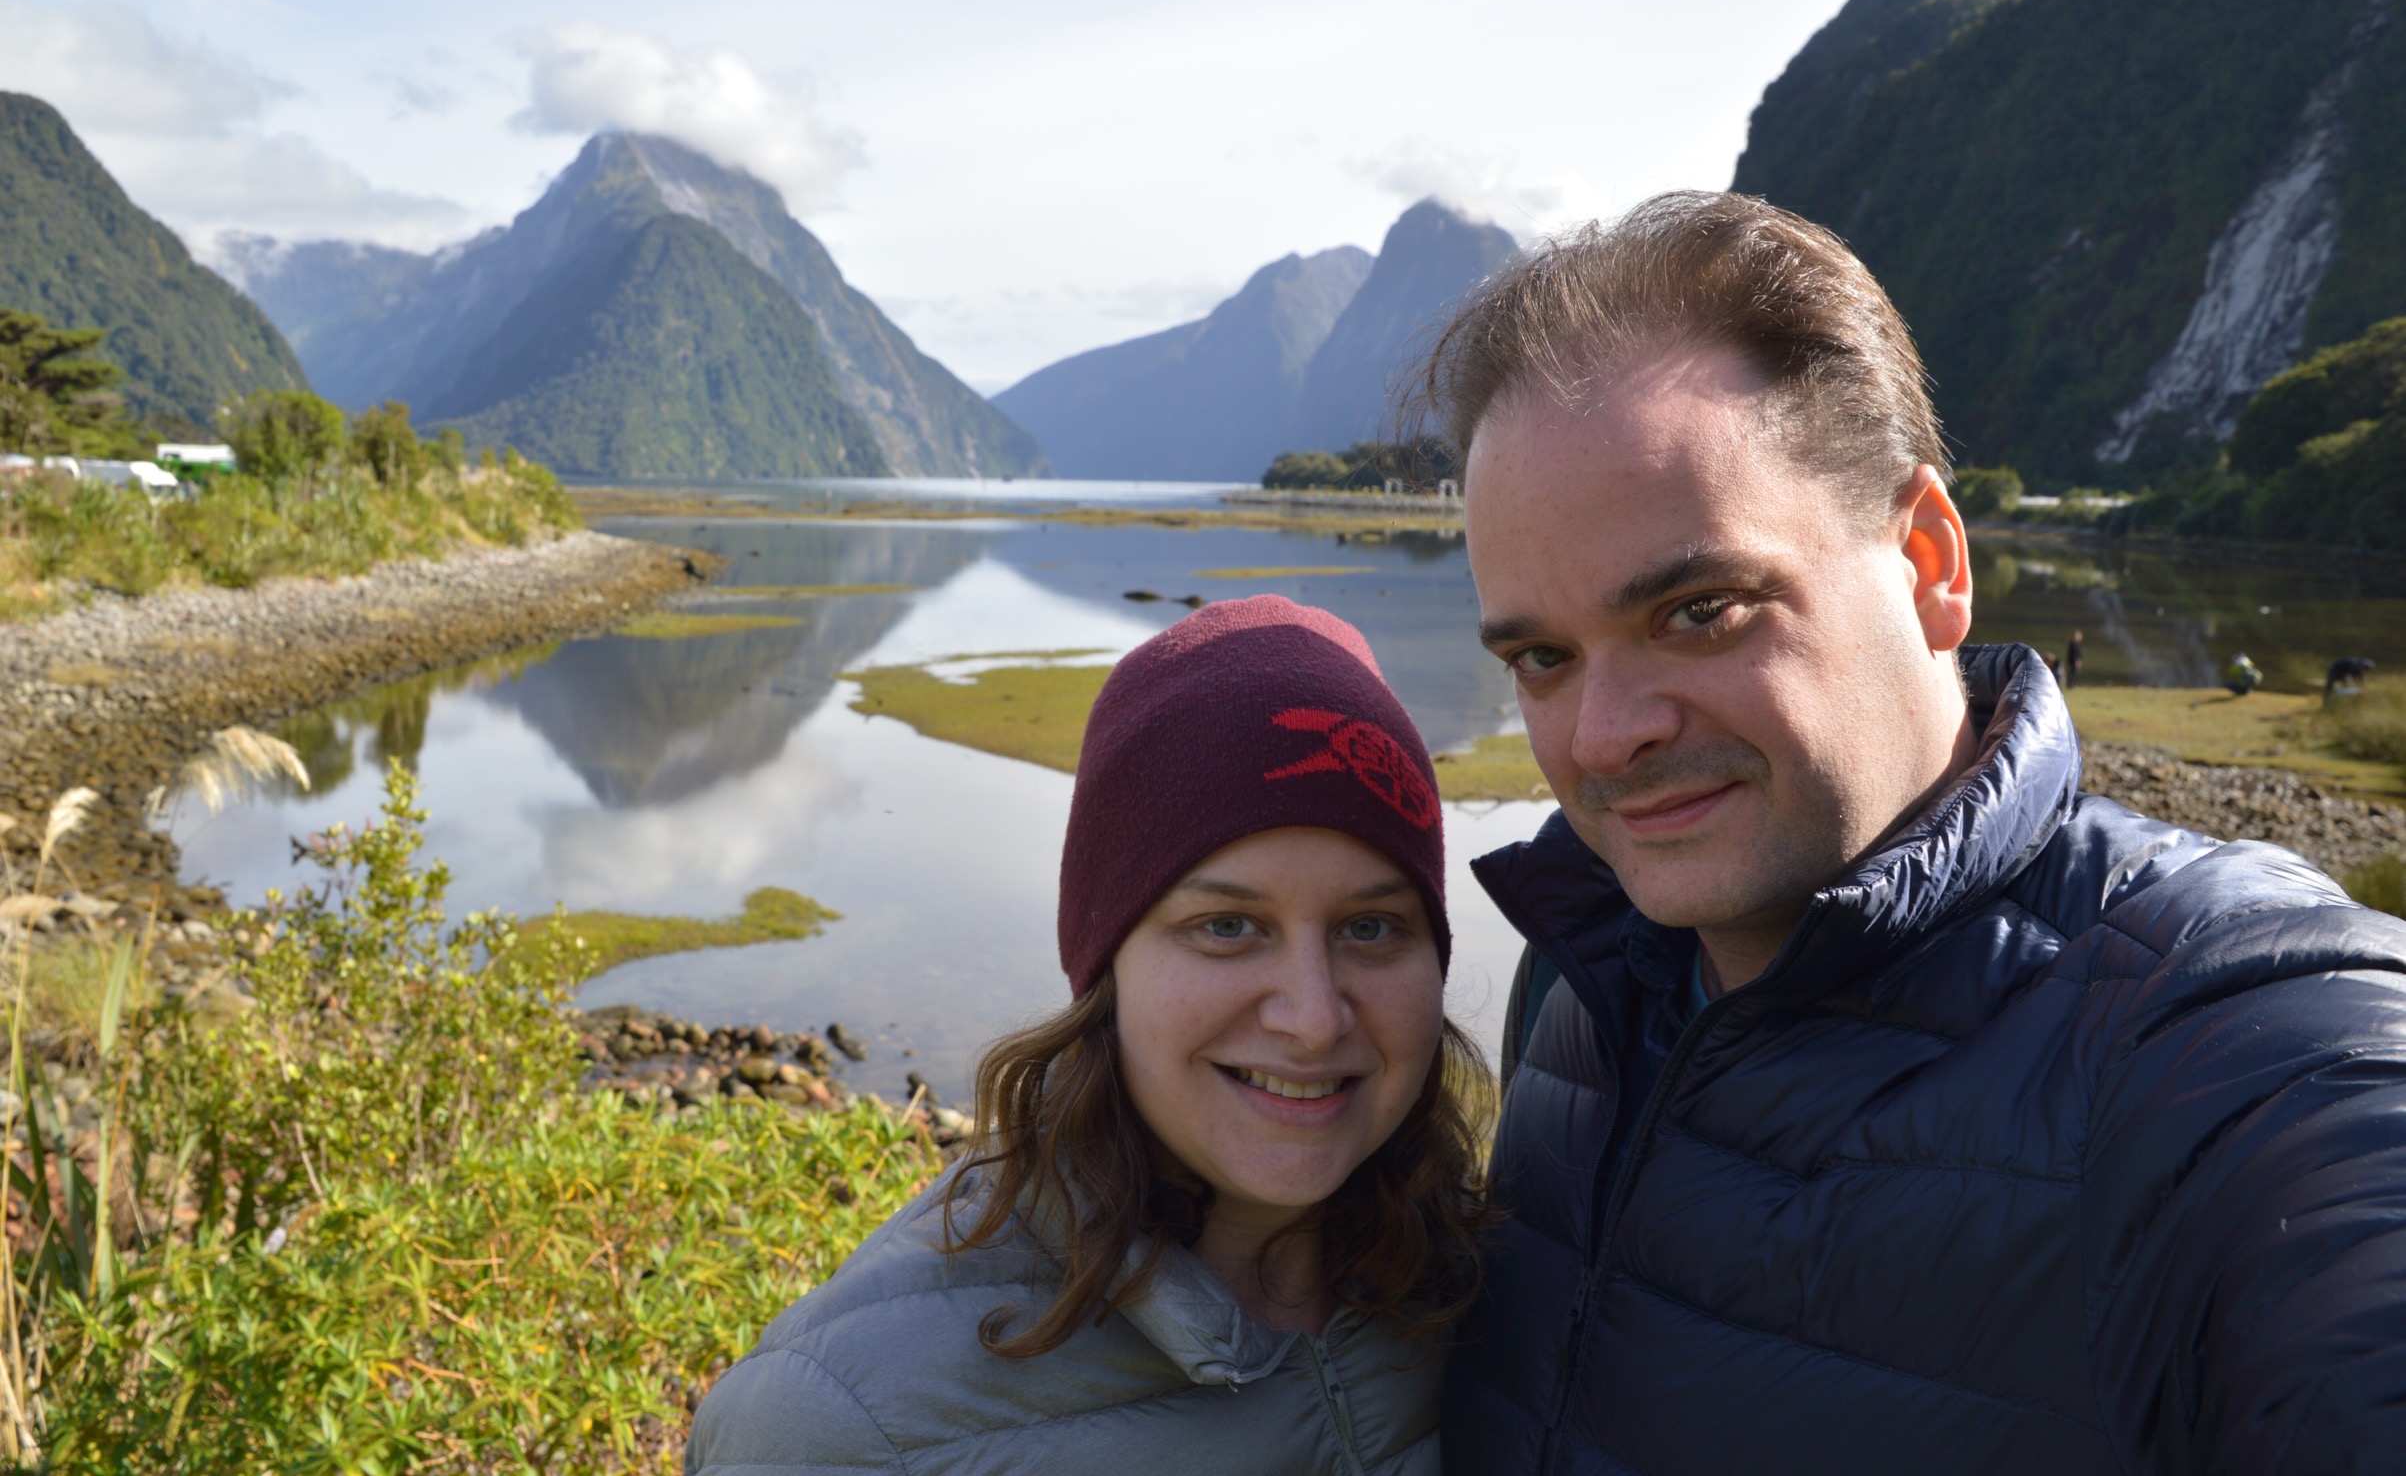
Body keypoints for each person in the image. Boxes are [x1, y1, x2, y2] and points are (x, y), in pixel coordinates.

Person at [1421, 191, 2406, 1474]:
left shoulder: (2233, 1044)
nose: (1602, 737)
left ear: (1932, 560)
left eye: (1702, 609)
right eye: (1544, 656)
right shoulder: (1587, 977)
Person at [687, 596, 1490, 1475]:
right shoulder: (835, 1427)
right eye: (1227, 925)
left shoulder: (1482, 1273)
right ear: (1105, 967)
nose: (1312, 1017)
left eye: (1370, 927)